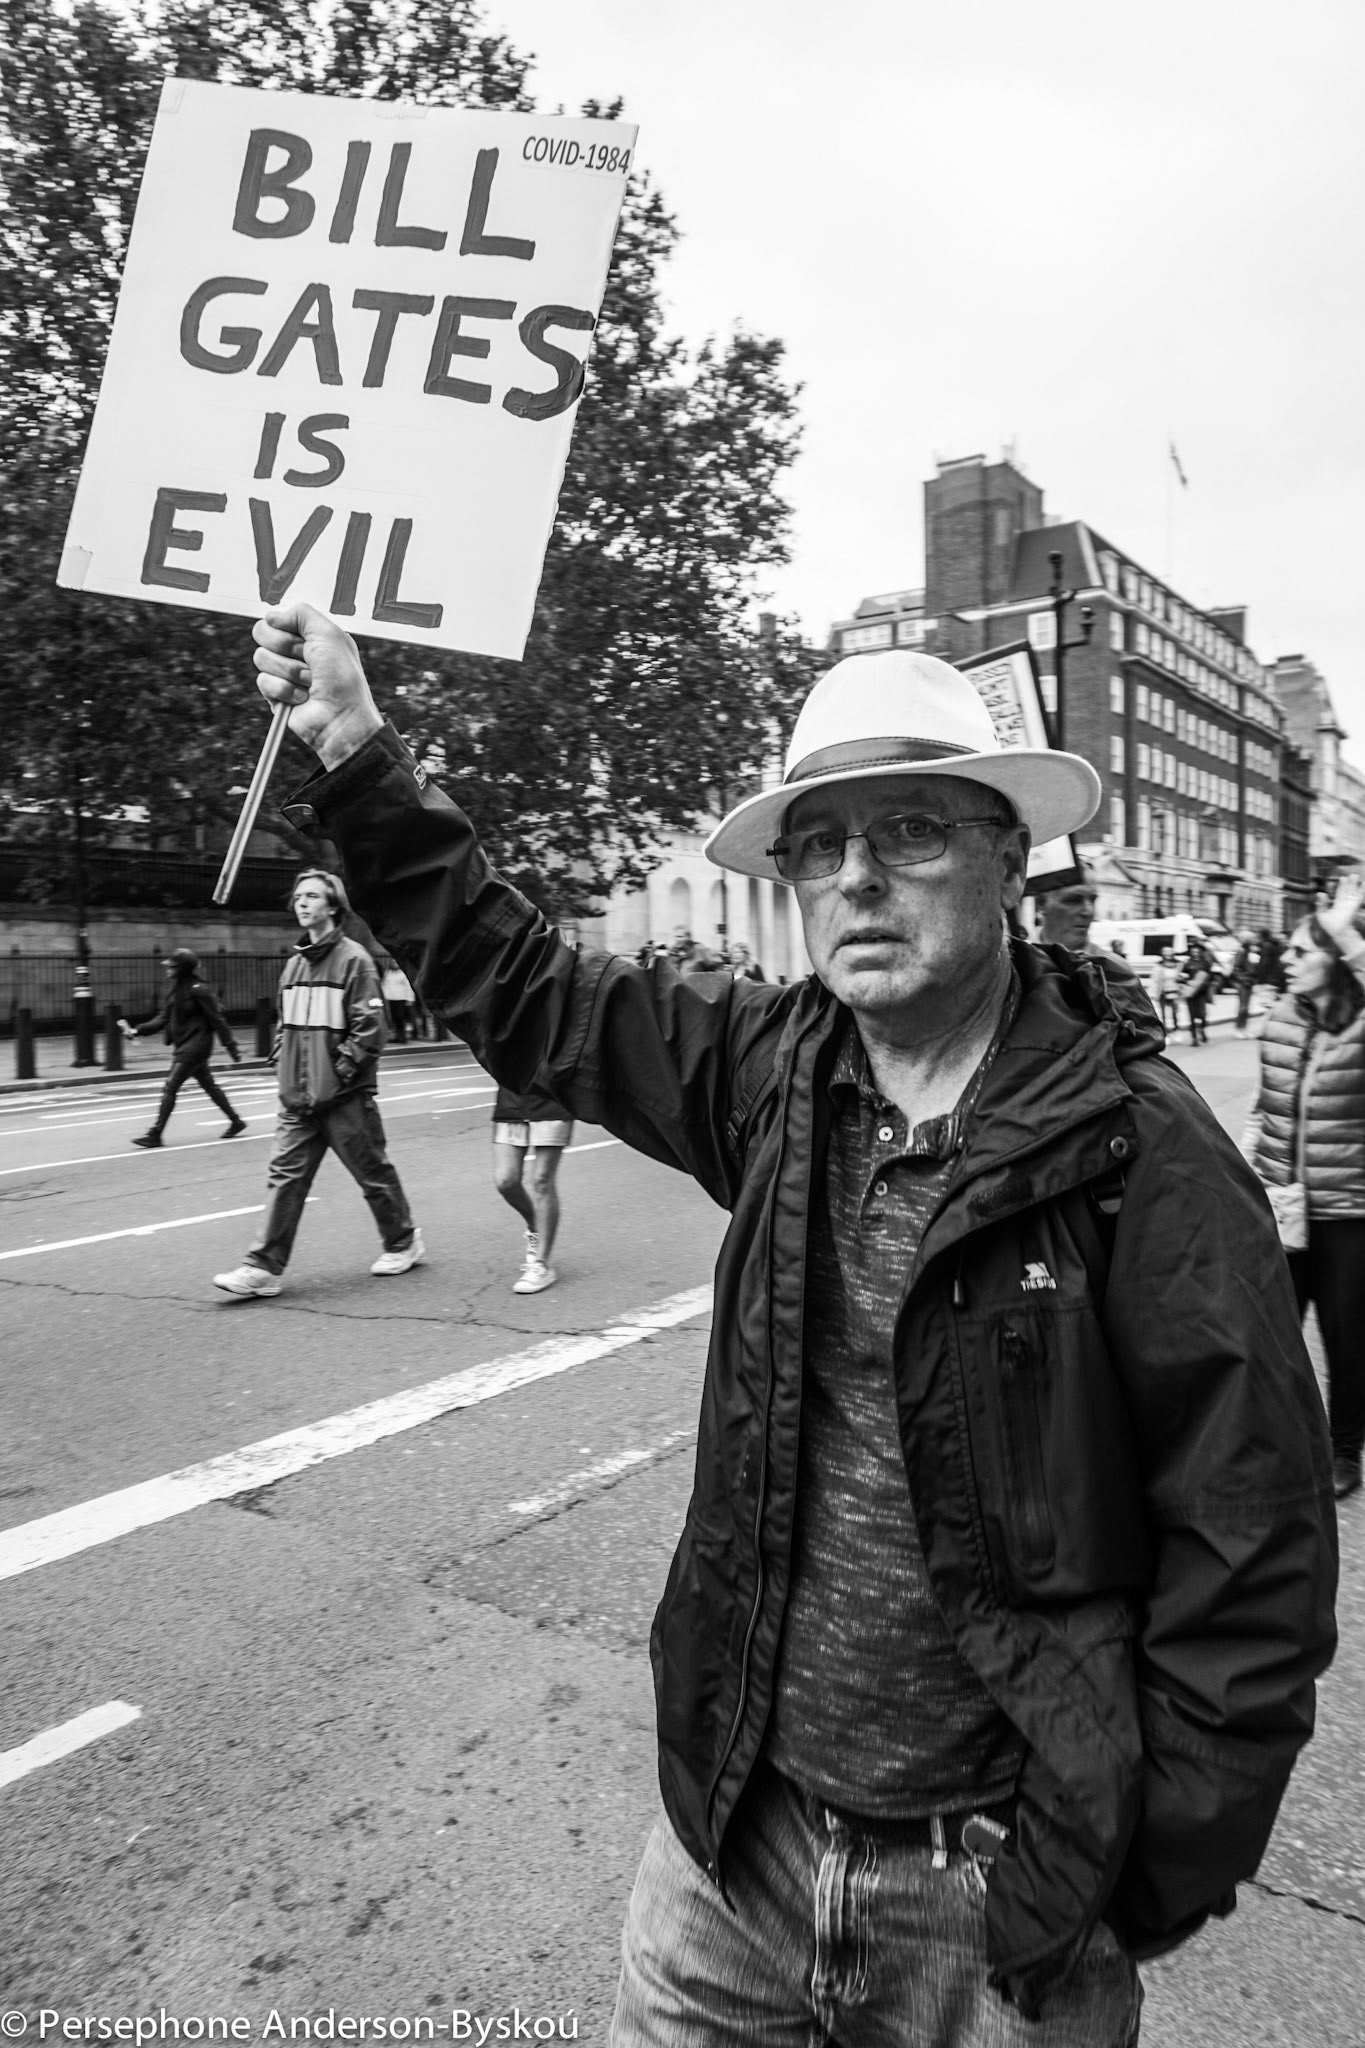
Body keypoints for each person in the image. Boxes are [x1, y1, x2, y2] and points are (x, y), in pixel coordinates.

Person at [252, 612, 1336, 2044]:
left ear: (1009, 855)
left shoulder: (1143, 1152)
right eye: (818, 849)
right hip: (734, 1847)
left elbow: (1249, 1547)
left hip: (995, 1905)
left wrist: (1131, 1881)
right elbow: (525, 988)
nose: (857, 880)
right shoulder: (772, 1071)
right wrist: (352, 750)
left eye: (910, 832)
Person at [212, 868, 424, 1299]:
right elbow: (284, 1026)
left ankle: (404, 1242)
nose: (301, 903)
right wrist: (282, 1064)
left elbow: (370, 1029)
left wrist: (340, 1074)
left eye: (311, 896)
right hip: (298, 1099)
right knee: (284, 1178)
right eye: (298, 897)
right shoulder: (293, 965)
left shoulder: (354, 961)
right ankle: (263, 1267)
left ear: (333, 907)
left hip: (344, 1097)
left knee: (373, 1174)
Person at [1243, 878, 1365, 1501]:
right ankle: (1282, 1440)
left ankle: (1345, 1449)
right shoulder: (1279, 1020)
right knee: (1270, 1329)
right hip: (1284, 1205)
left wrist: (1346, 932)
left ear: (1337, 962)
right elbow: (1265, 1113)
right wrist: (1244, 1180)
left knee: (1347, 1339)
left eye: (1300, 952)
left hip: (1349, 1211)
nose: (1284, 961)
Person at [120, 948, 246, 1148]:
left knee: (171, 1086)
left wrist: (231, 1047)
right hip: (185, 1045)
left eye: (172, 966)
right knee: (209, 1085)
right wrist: (137, 1031)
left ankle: (155, 1134)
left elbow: (217, 1020)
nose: (167, 969)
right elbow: (163, 1018)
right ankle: (236, 1121)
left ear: (183, 969)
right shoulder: (177, 990)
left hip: (196, 1046)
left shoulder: (199, 990)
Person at [491, 1081, 575, 1293]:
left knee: (542, 1180)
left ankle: (541, 1265)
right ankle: (535, 1226)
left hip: (553, 1096)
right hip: (512, 1096)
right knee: (506, 1181)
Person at [1033, 867, 1137, 977]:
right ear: (1041, 904)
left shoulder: (1115, 970)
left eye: (1092, 900)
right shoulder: (1019, 962)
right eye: (1073, 900)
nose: (1088, 912)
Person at [1180, 941, 1213, 1045]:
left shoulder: (1205, 963)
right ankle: (1194, 1037)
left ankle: (1202, 1030)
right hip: (1190, 992)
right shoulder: (1187, 963)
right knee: (1192, 1014)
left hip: (1202, 992)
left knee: (1202, 1014)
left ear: (1201, 952)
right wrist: (1186, 981)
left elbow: (1210, 977)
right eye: (1193, 951)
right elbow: (1181, 977)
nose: (1195, 953)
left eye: (1198, 951)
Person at [1230, 930, 1262, 1036]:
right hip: (1243, 982)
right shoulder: (1242, 951)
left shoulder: (1250, 951)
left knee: (1246, 1007)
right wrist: (1244, 978)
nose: (1254, 941)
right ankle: (1239, 1028)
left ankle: (1243, 1028)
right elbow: (1236, 968)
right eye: (1252, 939)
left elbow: (1252, 966)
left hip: (1249, 981)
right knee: (1243, 1007)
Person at [380, 956, 417, 1041]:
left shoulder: (403, 974)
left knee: (400, 1018)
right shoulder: (388, 973)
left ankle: (402, 1037)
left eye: (396, 963)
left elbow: (408, 987)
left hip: (401, 998)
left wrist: (410, 999)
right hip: (390, 998)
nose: (394, 964)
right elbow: (384, 984)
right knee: (393, 1018)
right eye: (393, 963)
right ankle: (396, 1036)